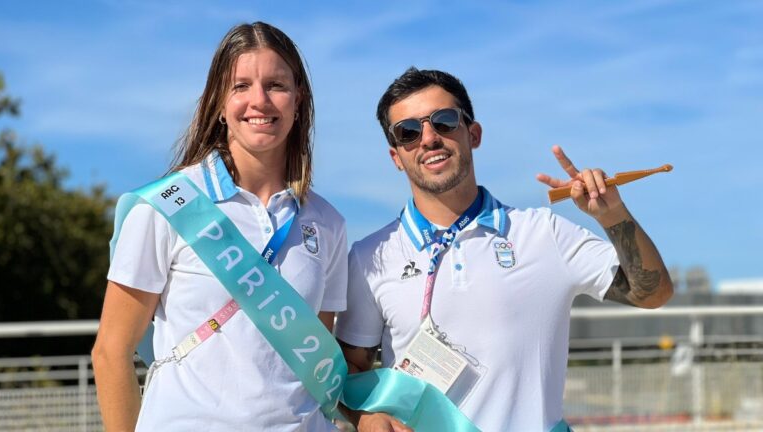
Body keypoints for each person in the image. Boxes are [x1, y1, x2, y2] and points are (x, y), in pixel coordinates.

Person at [334, 68, 673, 431]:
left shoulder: (544, 233)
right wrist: (365, 418)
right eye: (409, 132)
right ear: (396, 156)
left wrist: (612, 215)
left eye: (444, 121)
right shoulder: (371, 256)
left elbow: (652, 294)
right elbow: (348, 371)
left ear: (473, 134)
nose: (429, 138)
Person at [92, 22, 347, 431]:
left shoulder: (327, 223)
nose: (259, 101)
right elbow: (111, 351)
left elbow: (318, 364)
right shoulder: (168, 205)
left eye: (277, 85)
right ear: (218, 103)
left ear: (299, 100)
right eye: (241, 86)